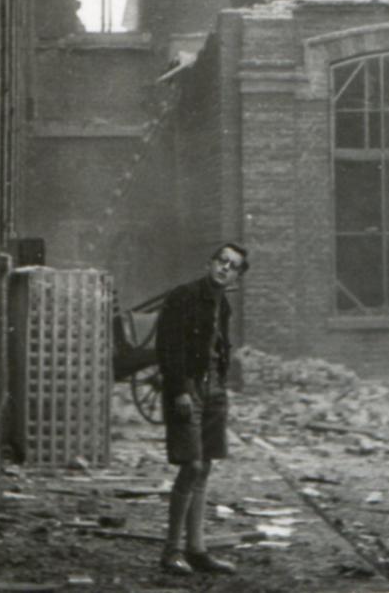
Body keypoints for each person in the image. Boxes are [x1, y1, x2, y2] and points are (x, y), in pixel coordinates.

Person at [155, 242, 249, 576]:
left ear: (238, 274)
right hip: (188, 390)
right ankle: (171, 551)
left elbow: (219, 347)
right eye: (221, 261)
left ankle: (197, 550)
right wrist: (179, 389)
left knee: (205, 466)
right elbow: (168, 346)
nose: (225, 268)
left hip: (213, 392)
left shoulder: (222, 305)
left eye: (233, 265)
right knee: (192, 466)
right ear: (209, 263)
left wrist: (221, 385)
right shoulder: (184, 297)